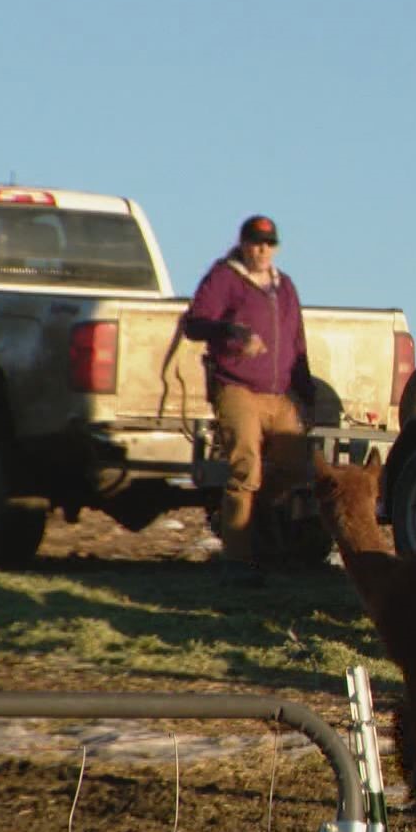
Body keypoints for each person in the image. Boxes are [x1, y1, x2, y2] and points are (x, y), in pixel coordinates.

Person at [179, 214, 315, 581]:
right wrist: (231, 333)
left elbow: (296, 340)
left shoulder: (284, 286)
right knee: (245, 469)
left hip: (278, 393)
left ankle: (245, 519)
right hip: (236, 386)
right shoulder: (224, 278)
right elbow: (193, 324)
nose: (262, 249)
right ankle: (237, 560)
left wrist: (305, 389)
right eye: (256, 242)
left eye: (269, 244)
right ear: (242, 243)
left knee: (296, 469)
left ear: (277, 247)